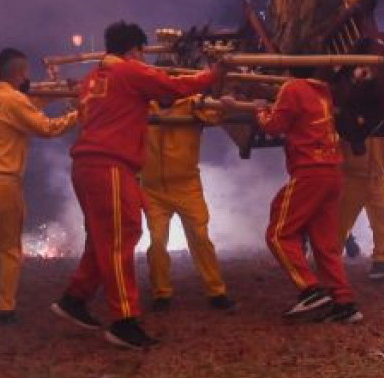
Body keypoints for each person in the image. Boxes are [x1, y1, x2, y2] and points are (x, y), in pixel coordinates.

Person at [52, 22, 221, 349]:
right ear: (134, 50)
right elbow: (172, 86)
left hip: (88, 166)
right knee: (121, 239)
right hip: (110, 166)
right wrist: (213, 74)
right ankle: (124, 320)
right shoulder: (128, 72)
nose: (143, 58)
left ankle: (75, 298)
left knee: (105, 239)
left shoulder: (91, 79)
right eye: (142, 52)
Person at [0, 49, 76, 323]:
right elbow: (47, 128)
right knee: (10, 248)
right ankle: (5, 308)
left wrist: (58, 92)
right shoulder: (14, 100)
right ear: (20, 74)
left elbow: (24, 109)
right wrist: (79, 114)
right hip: (1, 182)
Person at [249, 69, 360, 323]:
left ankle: (310, 289)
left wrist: (259, 109)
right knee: (325, 243)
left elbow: (274, 126)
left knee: (277, 233)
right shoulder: (324, 90)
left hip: (310, 171)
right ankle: (344, 302)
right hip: (333, 172)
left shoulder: (292, 87)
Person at [141, 96, 234, 312]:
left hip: (187, 186)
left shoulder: (192, 103)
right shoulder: (141, 103)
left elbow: (215, 115)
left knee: (200, 238)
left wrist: (225, 105)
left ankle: (217, 292)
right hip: (153, 189)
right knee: (156, 243)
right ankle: (161, 294)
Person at [339, 137, 384, 281]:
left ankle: (381, 261)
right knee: (340, 223)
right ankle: (329, 264)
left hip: (377, 175)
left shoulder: (380, 114)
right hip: (350, 176)